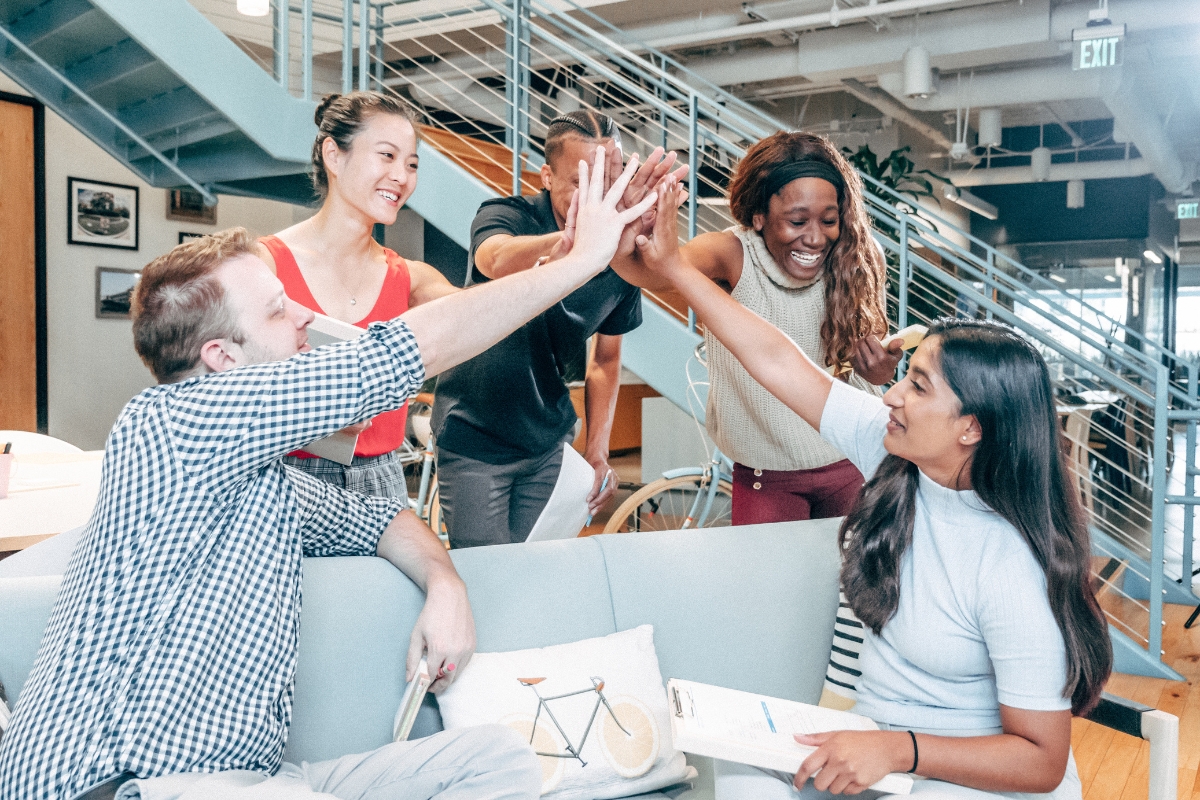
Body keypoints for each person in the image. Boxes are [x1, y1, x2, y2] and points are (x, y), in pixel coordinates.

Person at [0, 148, 657, 800]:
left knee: (500, 760)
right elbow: (399, 353)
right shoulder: (173, 423)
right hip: (122, 786)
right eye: (278, 310)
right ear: (222, 357)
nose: (306, 318)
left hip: (259, 780)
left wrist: (445, 582)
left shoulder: (261, 476)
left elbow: (381, 517)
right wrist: (580, 262)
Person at [632, 177, 1112, 799]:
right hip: (882, 757)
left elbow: (1042, 762)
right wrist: (673, 267)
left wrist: (896, 749)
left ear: (972, 428)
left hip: (965, 778)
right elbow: (776, 359)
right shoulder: (893, 452)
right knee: (740, 782)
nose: (890, 394)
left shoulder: (1010, 561)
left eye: (918, 386)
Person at [610, 131, 902, 526]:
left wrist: (882, 372)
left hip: (854, 460)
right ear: (759, 216)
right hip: (768, 476)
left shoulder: (859, 257)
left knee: (849, 586)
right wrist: (624, 230)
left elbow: (875, 373)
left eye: (829, 220)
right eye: (797, 220)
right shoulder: (731, 253)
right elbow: (648, 272)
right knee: (766, 586)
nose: (815, 237)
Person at [430, 110, 679, 548]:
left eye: (611, 178)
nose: (599, 195)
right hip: (475, 438)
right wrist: (570, 247)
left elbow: (606, 359)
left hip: (548, 442)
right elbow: (494, 258)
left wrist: (597, 450)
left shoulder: (620, 254)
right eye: (582, 182)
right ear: (546, 175)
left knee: (537, 574)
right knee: (489, 578)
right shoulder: (508, 214)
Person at [256, 91, 460, 499]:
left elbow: (486, 316)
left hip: (381, 481)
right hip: (284, 476)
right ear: (334, 155)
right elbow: (223, 383)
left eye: (412, 164)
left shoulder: (411, 278)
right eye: (387, 156)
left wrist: (562, 265)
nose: (402, 176)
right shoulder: (264, 265)